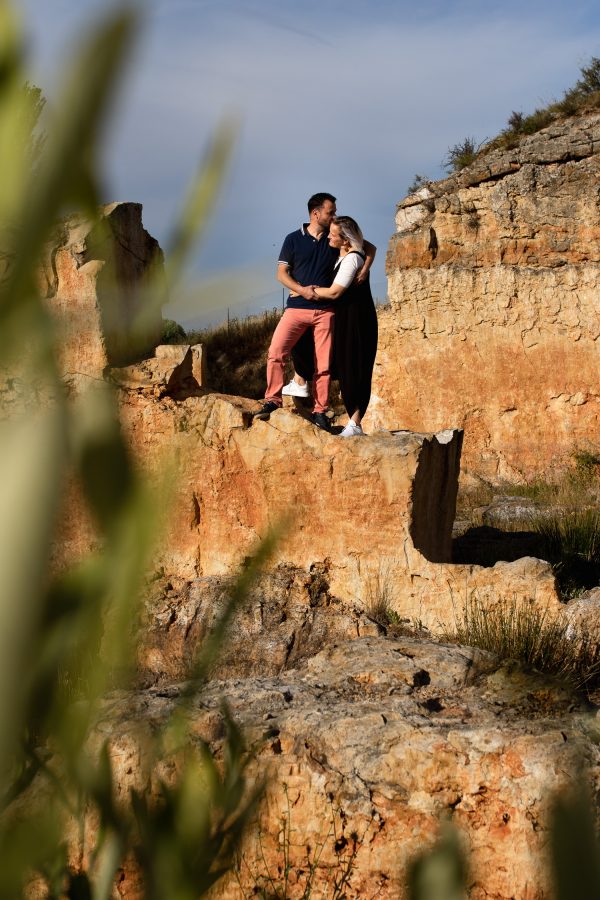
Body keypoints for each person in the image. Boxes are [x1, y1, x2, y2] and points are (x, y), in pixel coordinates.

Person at [252, 193, 374, 431]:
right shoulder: (293, 239)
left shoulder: (334, 237)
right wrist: (302, 290)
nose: (335, 215)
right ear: (316, 213)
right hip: (296, 309)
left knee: (324, 365)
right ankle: (273, 400)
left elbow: (367, 247)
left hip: (325, 311)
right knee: (276, 352)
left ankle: (320, 411)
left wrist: (365, 268)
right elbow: (281, 274)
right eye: (331, 211)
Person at [307, 215, 378, 437]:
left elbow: (335, 292)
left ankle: (355, 423)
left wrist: (304, 291)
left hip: (356, 321)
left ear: (345, 240)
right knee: (343, 366)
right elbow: (370, 247)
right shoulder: (344, 253)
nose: (328, 236)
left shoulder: (353, 258)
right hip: (344, 318)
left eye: (333, 235)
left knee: (355, 368)